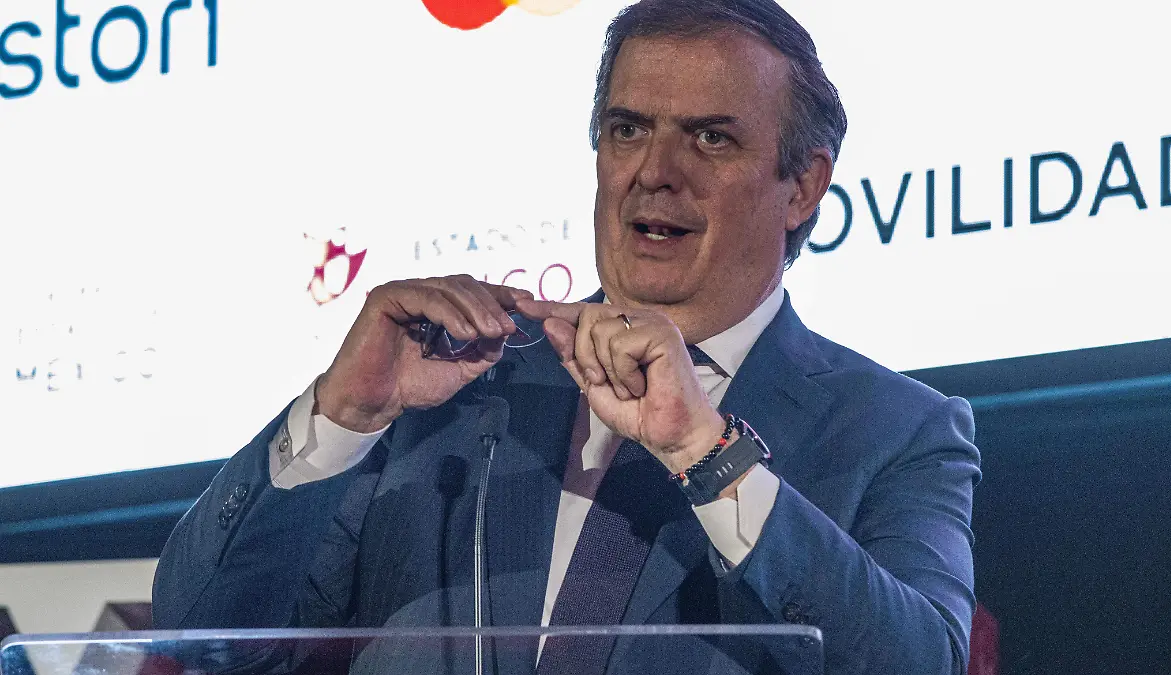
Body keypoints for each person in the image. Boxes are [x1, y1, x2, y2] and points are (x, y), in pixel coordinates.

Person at [152, 1, 980, 673]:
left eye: (710, 137)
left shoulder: (896, 430)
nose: (655, 171)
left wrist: (705, 451)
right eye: (628, 130)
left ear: (802, 185)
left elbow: (920, 660)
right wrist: (343, 415)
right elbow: (205, 633)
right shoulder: (450, 384)